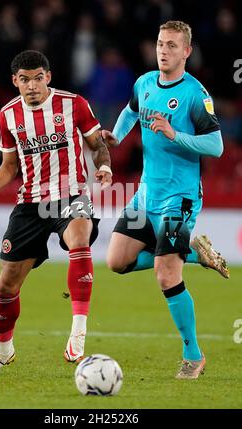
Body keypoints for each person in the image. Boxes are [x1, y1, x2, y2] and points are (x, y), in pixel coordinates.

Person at [0, 50, 112, 376]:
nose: (31, 85)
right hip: (31, 203)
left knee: (80, 238)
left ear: (47, 77)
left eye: (37, 78)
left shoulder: (74, 104)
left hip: (72, 194)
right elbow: (9, 165)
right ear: (15, 82)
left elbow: (97, 143)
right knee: (6, 285)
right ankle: (4, 352)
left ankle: (78, 331)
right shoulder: (7, 115)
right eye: (24, 80)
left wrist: (103, 166)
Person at [103, 21, 229, 379]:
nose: (164, 51)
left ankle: (194, 355)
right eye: (160, 43)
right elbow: (130, 111)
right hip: (146, 194)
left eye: (172, 45)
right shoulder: (144, 83)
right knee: (116, 261)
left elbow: (216, 146)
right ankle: (194, 252)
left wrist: (175, 134)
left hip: (180, 196)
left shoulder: (195, 94)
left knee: (164, 272)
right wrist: (118, 135)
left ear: (186, 52)